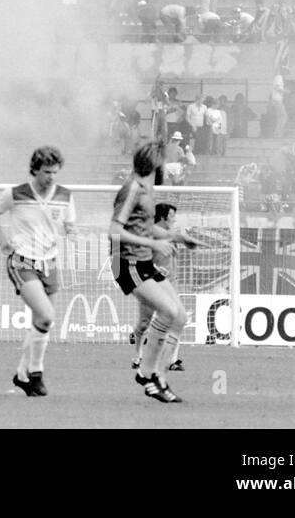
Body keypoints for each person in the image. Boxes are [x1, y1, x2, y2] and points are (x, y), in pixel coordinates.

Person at [0, 145, 74, 397]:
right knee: (46, 316)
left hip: (50, 263)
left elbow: (68, 223)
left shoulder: (65, 196)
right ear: (35, 170)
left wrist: (71, 231)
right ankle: (36, 373)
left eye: (55, 172)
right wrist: (3, 243)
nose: (51, 177)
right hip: (22, 261)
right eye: (47, 172)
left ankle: (22, 375)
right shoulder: (16, 193)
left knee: (41, 322)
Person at [110, 142, 188, 403]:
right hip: (126, 263)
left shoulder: (146, 188)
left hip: (142, 262)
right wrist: (154, 244)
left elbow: (145, 226)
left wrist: (174, 237)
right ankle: (151, 376)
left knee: (180, 316)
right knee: (167, 312)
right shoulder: (132, 188)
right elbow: (115, 231)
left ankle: (154, 374)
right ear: (154, 163)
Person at [130, 201, 196, 375]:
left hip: (170, 285)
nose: (174, 220)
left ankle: (172, 361)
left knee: (177, 319)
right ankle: (137, 356)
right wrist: (154, 268)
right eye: (172, 216)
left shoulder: (172, 236)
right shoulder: (150, 236)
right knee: (144, 323)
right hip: (151, 284)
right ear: (163, 217)